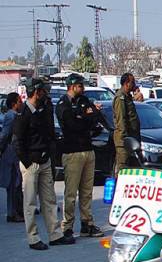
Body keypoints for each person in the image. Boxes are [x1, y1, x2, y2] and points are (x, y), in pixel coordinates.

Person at [14, 80, 74, 250]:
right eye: (43, 91)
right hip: (31, 164)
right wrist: (28, 162)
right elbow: (17, 142)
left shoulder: (43, 109)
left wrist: (48, 155)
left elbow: (49, 134)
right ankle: (33, 238)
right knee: (30, 203)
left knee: (49, 200)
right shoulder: (23, 113)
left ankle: (55, 235)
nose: (46, 94)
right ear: (36, 92)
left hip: (45, 161)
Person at [55, 73, 104, 238]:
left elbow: (95, 119)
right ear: (72, 86)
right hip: (72, 152)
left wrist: (87, 116)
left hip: (88, 149)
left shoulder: (84, 100)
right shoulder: (63, 104)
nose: (83, 88)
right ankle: (67, 226)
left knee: (87, 191)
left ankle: (87, 223)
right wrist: (86, 117)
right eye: (80, 85)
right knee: (71, 193)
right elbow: (72, 125)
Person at [0, 92, 24, 223]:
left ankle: (16, 211)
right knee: (13, 183)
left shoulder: (15, 115)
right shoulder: (11, 116)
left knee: (16, 183)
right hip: (11, 153)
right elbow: (4, 135)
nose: (21, 103)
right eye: (19, 101)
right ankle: (12, 213)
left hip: (14, 153)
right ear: (14, 104)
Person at [113, 73, 141, 176]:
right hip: (124, 141)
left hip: (132, 139)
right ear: (126, 83)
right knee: (123, 169)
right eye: (132, 82)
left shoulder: (127, 97)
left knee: (133, 169)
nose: (134, 85)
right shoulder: (120, 98)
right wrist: (125, 138)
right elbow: (121, 119)